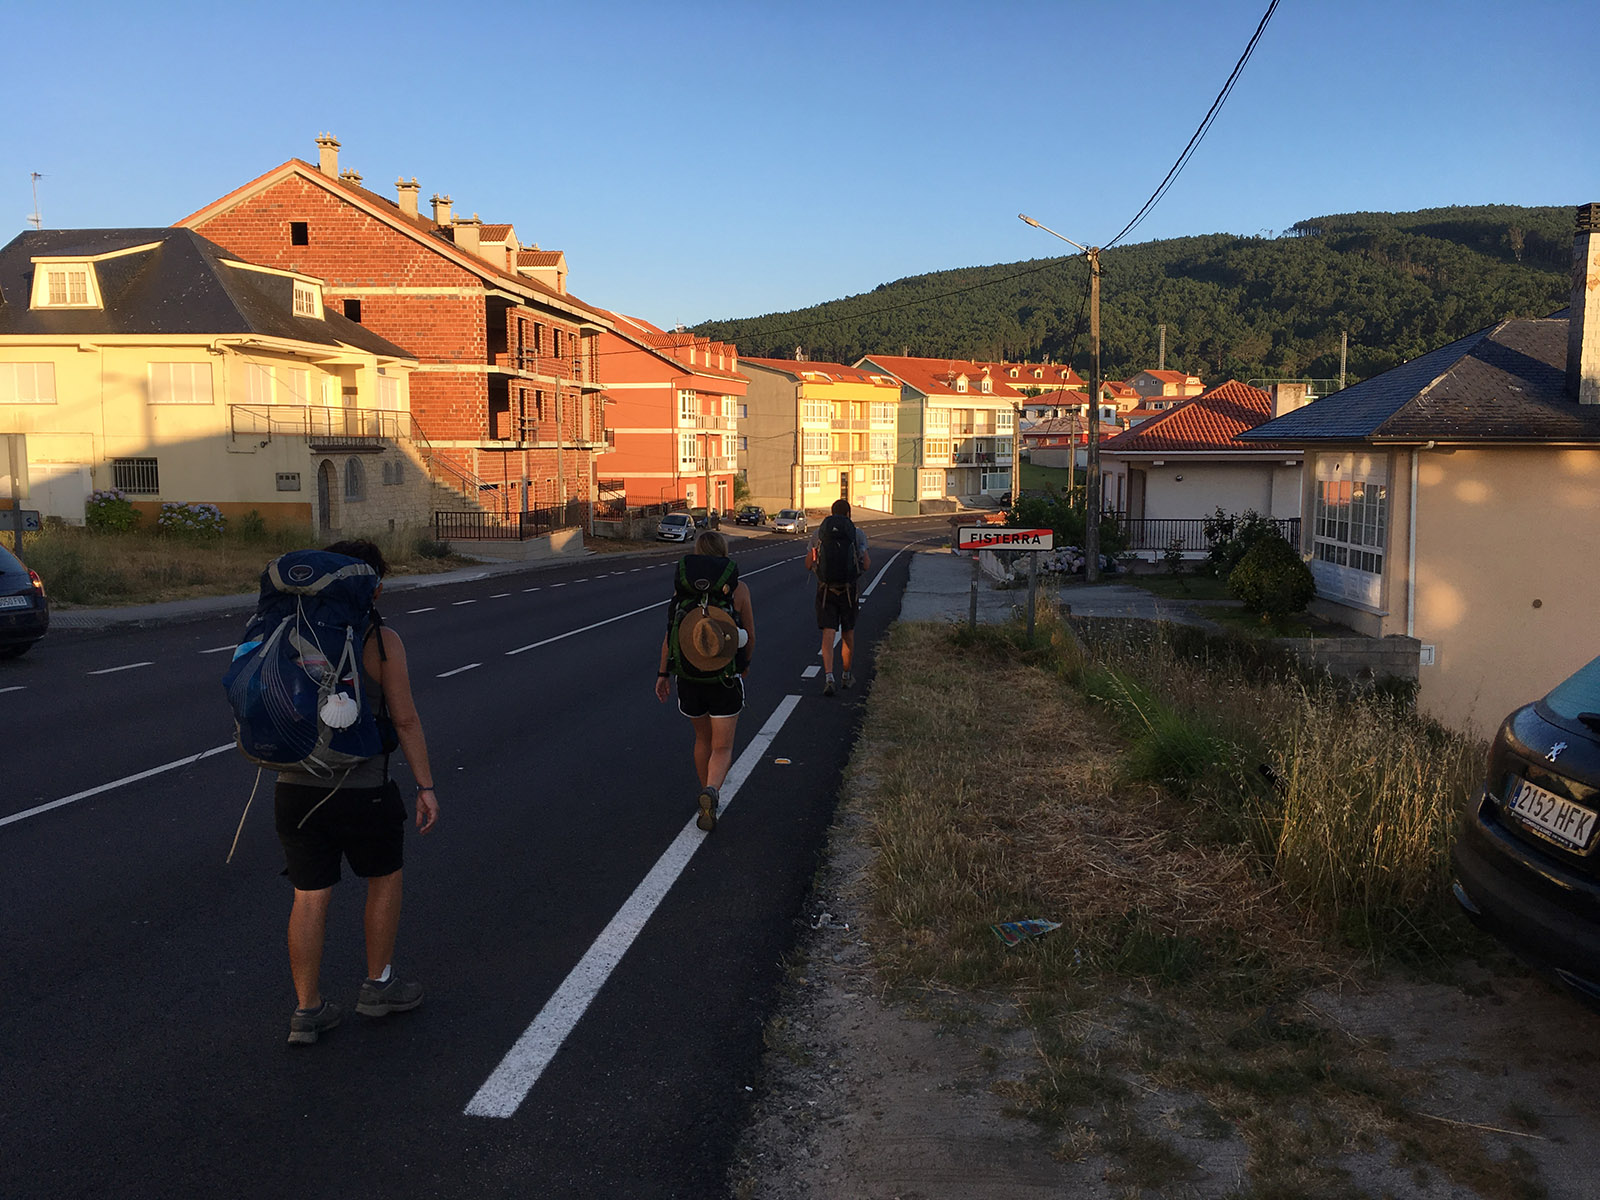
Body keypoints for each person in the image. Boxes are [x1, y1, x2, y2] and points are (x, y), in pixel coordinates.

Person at [275, 538, 440, 1045]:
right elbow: (405, 719)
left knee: (309, 897)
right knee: (383, 879)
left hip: (295, 788)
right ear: (373, 587)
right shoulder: (380, 640)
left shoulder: (286, 632)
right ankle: (378, 985)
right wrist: (425, 786)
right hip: (364, 786)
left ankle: (307, 1010)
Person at [654, 529, 755, 833]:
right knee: (722, 747)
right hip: (725, 678)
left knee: (702, 739)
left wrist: (663, 674)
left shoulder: (682, 593)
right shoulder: (739, 590)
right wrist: (744, 665)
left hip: (689, 678)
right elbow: (750, 635)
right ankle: (712, 791)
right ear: (724, 554)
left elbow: (670, 637)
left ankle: (704, 798)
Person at [806, 498, 871, 696]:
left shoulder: (819, 533)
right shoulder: (857, 534)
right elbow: (866, 564)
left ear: (831, 513)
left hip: (826, 590)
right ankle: (846, 674)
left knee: (828, 633)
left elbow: (808, 563)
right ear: (849, 514)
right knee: (847, 633)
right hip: (848, 591)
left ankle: (828, 677)